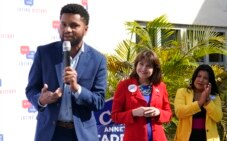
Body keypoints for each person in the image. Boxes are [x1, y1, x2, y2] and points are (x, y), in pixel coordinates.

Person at [25, 3, 107, 141]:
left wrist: (77, 89)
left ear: (85, 29)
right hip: (50, 133)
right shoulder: (44, 53)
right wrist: (41, 99)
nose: (67, 29)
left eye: (74, 25)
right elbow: (31, 89)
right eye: (63, 24)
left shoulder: (98, 59)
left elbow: (99, 101)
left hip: (82, 135)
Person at [111, 50, 172, 141]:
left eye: (148, 66)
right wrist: (133, 113)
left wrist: (158, 112)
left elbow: (168, 114)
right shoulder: (124, 85)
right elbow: (115, 116)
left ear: (154, 69)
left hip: (158, 138)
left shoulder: (161, 86)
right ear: (136, 65)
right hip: (133, 137)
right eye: (141, 64)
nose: (143, 68)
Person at [174, 64, 222, 141]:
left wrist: (207, 100)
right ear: (194, 77)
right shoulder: (182, 92)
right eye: (199, 76)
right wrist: (200, 103)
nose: (201, 80)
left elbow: (218, 117)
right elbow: (179, 112)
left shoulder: (214, 96)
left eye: (205, 78)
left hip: (208, 138)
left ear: (210, 82)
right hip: (186, 138)